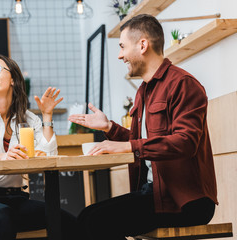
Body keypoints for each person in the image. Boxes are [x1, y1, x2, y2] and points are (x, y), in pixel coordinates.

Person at [69, 14, 217, 240]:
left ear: (143, 45)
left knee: (94, 222)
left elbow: (185, 142)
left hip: (186, 202)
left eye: (122, 47)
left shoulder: (183, 84)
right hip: (154, 195)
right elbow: (145, 141)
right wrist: (109, 127)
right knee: (86, 218)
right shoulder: (143, 92)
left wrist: (128, 146)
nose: (120, 55)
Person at [0, 54, 77, 240]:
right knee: (1, 216)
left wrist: (46, 115)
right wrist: (4, 156)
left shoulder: (29, 118)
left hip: (17, 200)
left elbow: (48, 155)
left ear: (13, 79)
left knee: (65, 220)